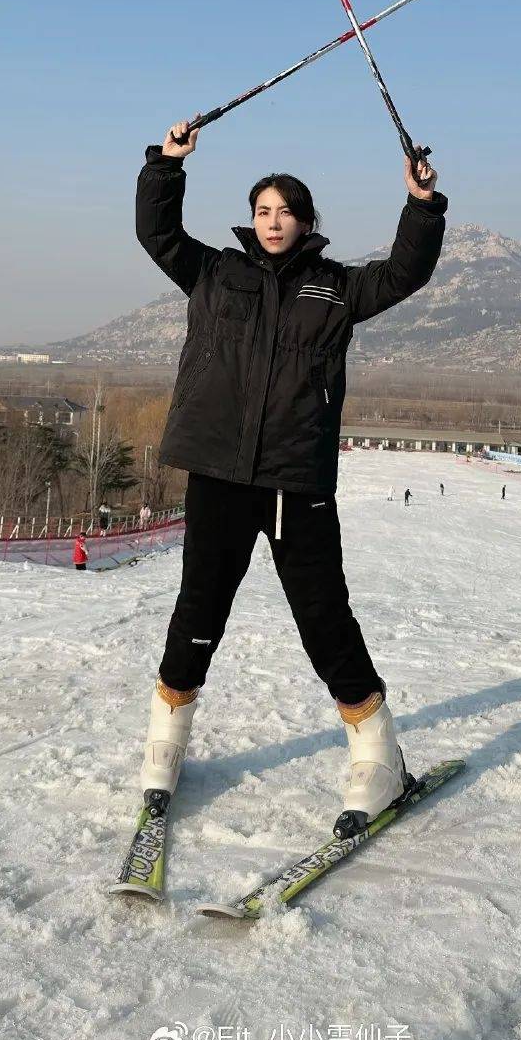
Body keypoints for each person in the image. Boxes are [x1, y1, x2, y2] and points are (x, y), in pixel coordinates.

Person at [134, 116, 447, 836]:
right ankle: (164, 746)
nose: (273, 222)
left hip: (294, 478)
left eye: (286, 212)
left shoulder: (335, 289)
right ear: (251, 220)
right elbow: (159, 236)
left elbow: (404, 272)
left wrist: (422, 206)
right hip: (218, 472)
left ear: (307, 221)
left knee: (323, 616)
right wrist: (167, 165)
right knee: (198, 612)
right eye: (263, 211)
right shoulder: (213, 273)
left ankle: (378, 754)